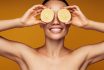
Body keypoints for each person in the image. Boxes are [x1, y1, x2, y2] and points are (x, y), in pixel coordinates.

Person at [0, 0, 104, 70]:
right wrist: (19, 22)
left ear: (70, 22)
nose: (55, 21)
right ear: (41, 22)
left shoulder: (82, 56)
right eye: (48, 15)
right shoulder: (24, 54)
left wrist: (88, 24)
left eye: (62, 15)